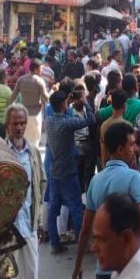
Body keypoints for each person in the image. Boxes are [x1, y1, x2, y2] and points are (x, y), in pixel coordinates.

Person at [73, 122, 140, 279]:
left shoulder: (95, 181)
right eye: (131, 144)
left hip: (104, 272)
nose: (135, 149)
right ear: (120, 149)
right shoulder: (134, 178)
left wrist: (78, 264)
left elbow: (85, 229)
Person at [5, 103, 45, 279]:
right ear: (7, 126)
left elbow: (42, 181)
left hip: (29, 226)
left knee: (31, 277)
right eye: (15, 123)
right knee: (8, 278)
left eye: (22, 123)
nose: (19, 127)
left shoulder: (33, 152)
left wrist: (37, 215)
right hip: (7, 229)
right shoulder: (1, 153)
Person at [46, 90, 93, 254]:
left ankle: (54, 242)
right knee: (75, 207)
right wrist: (84, 101)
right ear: (63, 105)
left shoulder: (48, 121)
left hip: (55, 170)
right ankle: (82, 242)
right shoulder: (67, 123)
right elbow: (90, 120)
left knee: (54, 208)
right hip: (68, 170)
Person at [9, 59, 49, 146]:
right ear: (35, 69)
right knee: (35, 143)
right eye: (41, 68)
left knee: (24, 142)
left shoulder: (21, 79)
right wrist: (51, 92)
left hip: (23, 115)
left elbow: (13, 97)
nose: (42, 71)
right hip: (35, 115)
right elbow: (46, 98)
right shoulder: (39, 81)